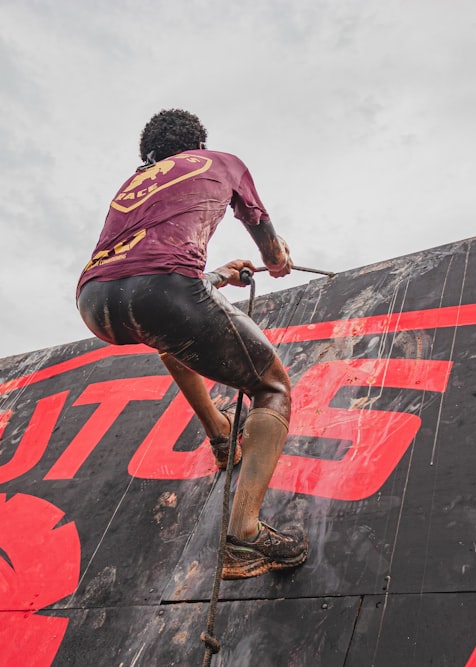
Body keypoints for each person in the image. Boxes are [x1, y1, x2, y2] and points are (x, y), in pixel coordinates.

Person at [76, 109, 308, 580]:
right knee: (273, 389)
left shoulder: (131, 187)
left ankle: (222, 438)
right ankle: (244, 535)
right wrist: (277, 258)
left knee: (173, 341)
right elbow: (263, 239)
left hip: (94, 300)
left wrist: (222, 274)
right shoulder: (220, 162)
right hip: (164, 291)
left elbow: (146, 267)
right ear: (198, 143)